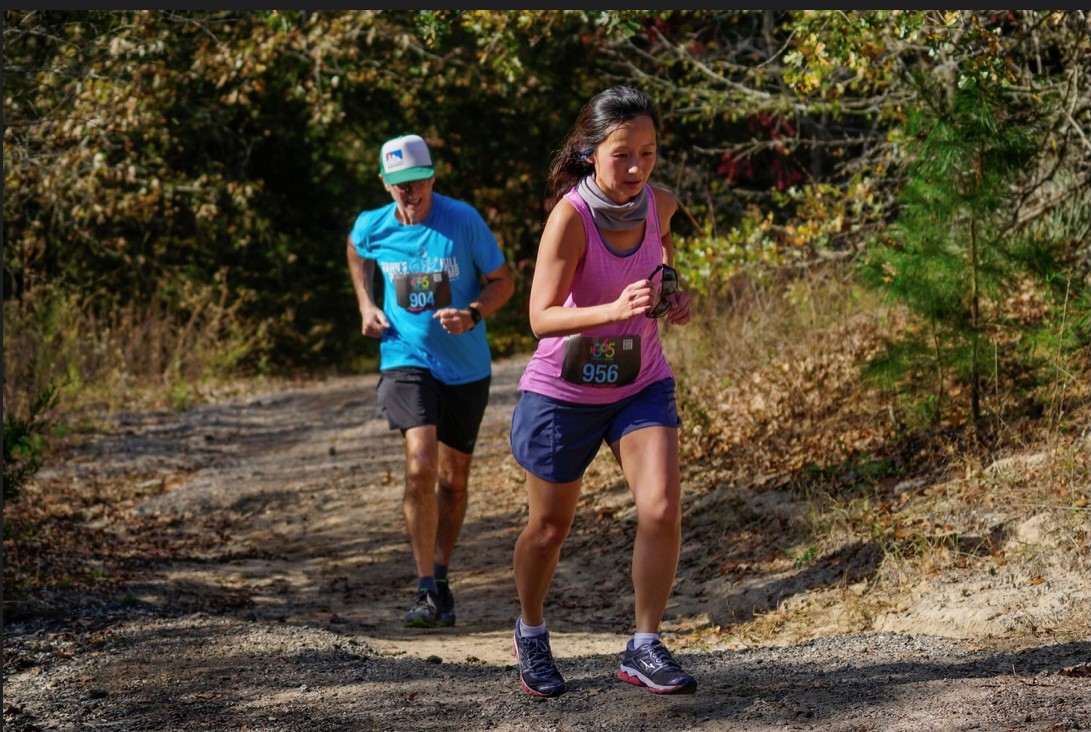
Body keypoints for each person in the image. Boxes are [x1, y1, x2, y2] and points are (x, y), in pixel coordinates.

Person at [509, 85, 696, 697]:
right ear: (592, 152)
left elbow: (663, 270)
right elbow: (539, 317)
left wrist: (675, 297)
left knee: (662, 508)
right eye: (623, 154)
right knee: (549, 527)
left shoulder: (660, 205)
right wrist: (612, 307)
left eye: (648, 152)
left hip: (639, 381)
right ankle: (531, 631)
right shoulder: (571, 218)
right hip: (564, 389)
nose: (638, 167)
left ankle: (644, 646)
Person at [346, 133, 514, 628]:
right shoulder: (371, 225)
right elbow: (356, 251)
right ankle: (423, 588)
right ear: (385, 183)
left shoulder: (462, 220)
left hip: (465, 367)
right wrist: (366, 303)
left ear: (433, 177)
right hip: (405, 356)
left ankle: (440, 576)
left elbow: (503, 281)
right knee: (420, 464)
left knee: (453, 481)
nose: (409, 193)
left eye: (417, 182)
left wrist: (473, 313)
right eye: (399, 184)